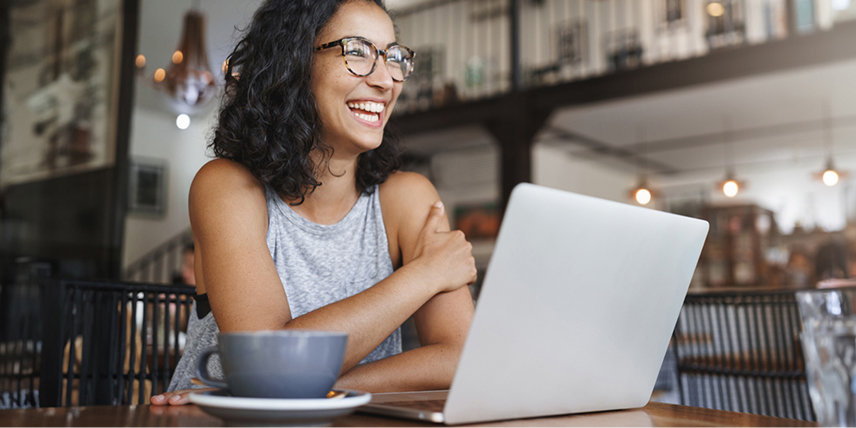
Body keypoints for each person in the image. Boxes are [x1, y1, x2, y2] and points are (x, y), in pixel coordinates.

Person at [151, 0, 477, 405]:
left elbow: (461, 358)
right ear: (294, 63)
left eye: (393, 57)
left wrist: (316, 387)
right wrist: (425, 275)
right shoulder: (226, 187)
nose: (386, 80)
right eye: (357, 51)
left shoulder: (407, 199)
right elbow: (266, 364)